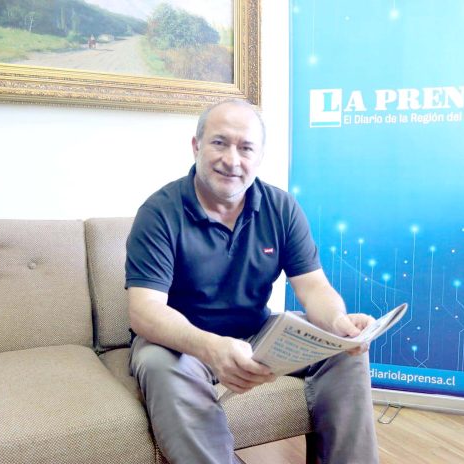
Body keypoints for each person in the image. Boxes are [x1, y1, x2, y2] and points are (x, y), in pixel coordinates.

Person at [125, 99, 379, 463]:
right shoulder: (159, 212)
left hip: (257, 333)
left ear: (259, 157)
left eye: (245, 148)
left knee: (344, 351)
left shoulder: (281, 207)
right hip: (181, 343)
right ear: (196, 146)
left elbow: (313, 286)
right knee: (157, 364)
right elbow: (144, 310)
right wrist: (211, 347)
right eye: (219, 143)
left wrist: (338, 324)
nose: (232, 160)